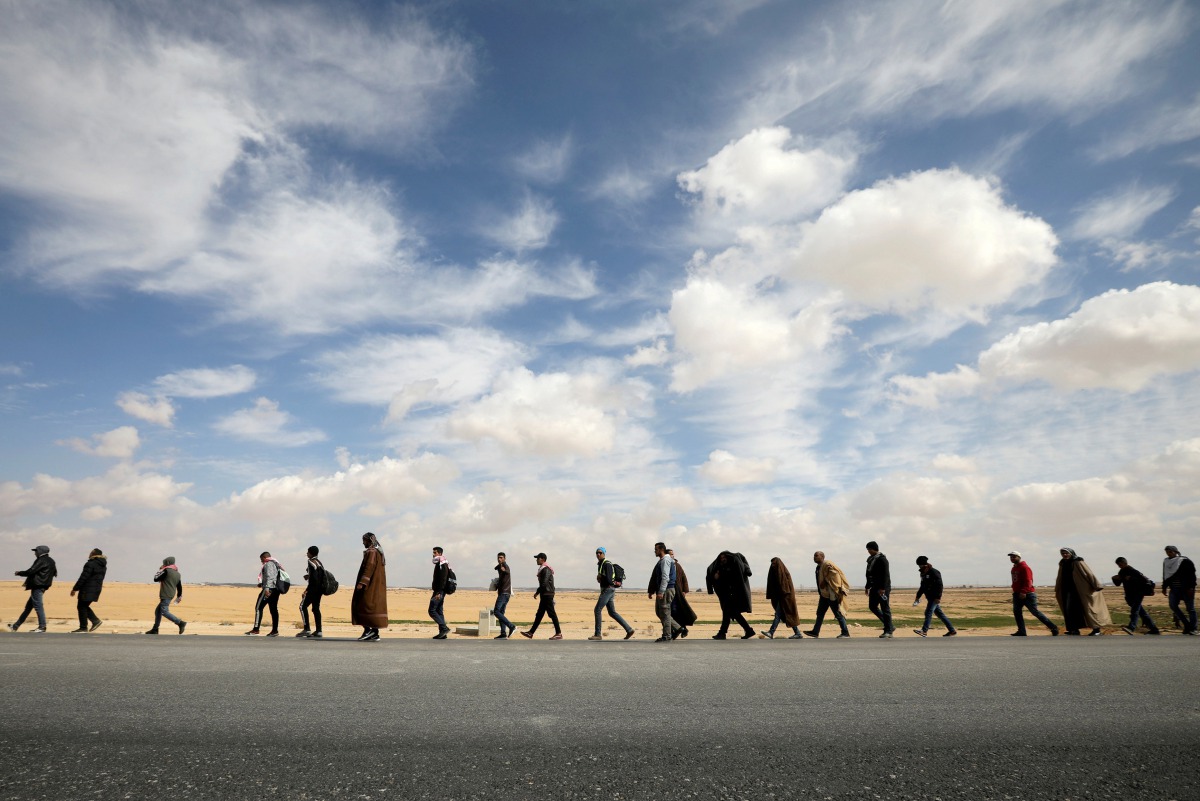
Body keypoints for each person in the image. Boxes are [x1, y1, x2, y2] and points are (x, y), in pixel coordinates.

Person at [1054, 548, 1111, 636]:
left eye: (1066, 553)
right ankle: (1074, 629)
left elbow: (1089, 573)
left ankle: (1096, 630)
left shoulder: (1078, 562)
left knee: (1088, 609)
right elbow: (1059, 577)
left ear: (1071, 553)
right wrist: (1057, 588)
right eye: (1063, 553)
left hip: (1081, 590)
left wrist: (1096, 585)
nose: (1064, 555)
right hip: (1067, 591)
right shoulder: (1062, 563)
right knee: (1070, 610)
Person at [7, 545, 57, 633]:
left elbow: (31, 571)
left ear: (40, 551)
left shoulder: (41, 560)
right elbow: (54, 573)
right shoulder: (51, 560)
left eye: (36, 551)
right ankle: (15, 626)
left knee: (38, 606)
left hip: (37, 586)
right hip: (42, 586)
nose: (35, 553)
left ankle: (42, 627)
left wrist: (19, 573)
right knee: (28, 607)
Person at [706, 551, 755, 639]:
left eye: (724, 558)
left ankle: (722, 633)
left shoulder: (733, 567)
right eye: (721, 558)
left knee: (728, 612)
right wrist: (715, 577)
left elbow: (732, 579)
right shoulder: (721, 568)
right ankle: (748, 630)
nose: (723, 559)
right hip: (727, 594)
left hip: (732, 594)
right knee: (733, 613)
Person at [1008, 551, 1059, 636]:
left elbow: (1029, 581)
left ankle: (1053, 627)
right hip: (1017, 594)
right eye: (1011, 557)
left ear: (1019, 557)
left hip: (1027, 594)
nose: (1012, 558)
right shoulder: (1014, 568)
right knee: (1017, 612)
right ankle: (1021, 631)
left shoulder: (1025, 567)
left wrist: (1024, 591)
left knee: (1035, 612)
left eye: (1014, 557)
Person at [590, 546, 634, 641]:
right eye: (597, 553)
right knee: (612, 612)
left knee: (597, 609)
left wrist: (601, 577)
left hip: (608, 589)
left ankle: (598, 634)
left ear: (604, 553)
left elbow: (610, 580)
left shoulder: (607, 564)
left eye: (600, 553)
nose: (598, 554)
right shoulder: (601, 564)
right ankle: (629, 630)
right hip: (608, 589)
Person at [804, 551, 851, 638]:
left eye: (816, 556)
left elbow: (835, 575)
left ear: (822, 556)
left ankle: (845, 632)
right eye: (814, 556)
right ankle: (815, 631)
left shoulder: (827, 564)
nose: (814, 557)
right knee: (820, 613)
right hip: (823, 595)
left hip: (830, 594)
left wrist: (825, 581)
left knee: (837, 613)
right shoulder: (819, 567)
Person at [352, 532, 388, 642]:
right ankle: (374, 632)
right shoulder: (378, 551)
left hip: (370, 586)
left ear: (369, 540)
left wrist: (362, 582)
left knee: (362, 605)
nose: (363, 543)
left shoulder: (372, 552)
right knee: (372, 607)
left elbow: (369, 566)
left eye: (364, 540)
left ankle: (368, 630)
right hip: (375, 586)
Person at [1112, 557, 1160, 635]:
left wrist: (1131, 578)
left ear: (1125, 563)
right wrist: (1114, 579)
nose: (1119, 566)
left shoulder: (1133, 571)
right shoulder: (1121, 571)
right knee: (1141, 612)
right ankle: (1154, 629)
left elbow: (1144, 580)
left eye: (1120, 564)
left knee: (1135, 611)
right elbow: (1118, 584)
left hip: (1138, 593)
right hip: (1129, 595)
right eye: (1118, 565)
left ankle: (1131, 627)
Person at [912, 556, 956, 637]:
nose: (919, 567)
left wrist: (938, 597)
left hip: (934, 597)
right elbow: (922, 586)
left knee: (928, 612)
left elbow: (940, 585)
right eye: (918, 565)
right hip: (929, 597)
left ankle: (924, 631)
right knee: (940, 615)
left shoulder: (934, 572)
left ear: (925, 565)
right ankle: (952, 630)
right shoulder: (923, 573)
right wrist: (917, 597)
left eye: (920, 565)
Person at [521, 553, 562, 639]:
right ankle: (531, 633)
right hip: (545, 594)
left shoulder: (546, 569)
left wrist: (537, 592)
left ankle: (558, 633)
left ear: (542, 559)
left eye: (538, 558)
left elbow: (544, 583)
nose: (536, 560)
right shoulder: (543, 569)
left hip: (547, 594)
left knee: (552, 614)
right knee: (539, 614)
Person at [647, 542, 682, 643]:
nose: (655, 551)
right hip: (664, 589)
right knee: (660, 612)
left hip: (666, 589)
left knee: (665, 612)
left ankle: (667, 635)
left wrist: (661, 591)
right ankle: (678, 628)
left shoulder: (666, 560)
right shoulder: (663, 560)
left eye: (656, 549)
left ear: (661, 549)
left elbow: (665, 577)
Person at [763, 557, 803, 639]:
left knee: (778, 615)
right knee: (786, 615)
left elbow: (785, 587)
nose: (772, 565)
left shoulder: (784, 573)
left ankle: (771, 632)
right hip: (781, 598)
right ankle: (797, 633)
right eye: (772, 564)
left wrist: (784, 595)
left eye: (774, 563)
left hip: (785, 598)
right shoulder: (777, 573)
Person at [69, 548, 107, 633]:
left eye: (91, 552)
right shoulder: (103, 565)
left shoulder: (90, 564)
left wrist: (75, 588)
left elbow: (84, 577)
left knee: (82, 606)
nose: (89, 554)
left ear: (94, 554)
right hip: (96, 588)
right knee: (83, 606)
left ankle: (84, 627)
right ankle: (94, 621)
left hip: (87, 588)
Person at [145, 556, 186, 635]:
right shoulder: (177, 573)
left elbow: (156, 578)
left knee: (164, 611)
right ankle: (155, 629)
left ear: (167, 563)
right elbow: (179, 586)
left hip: (165, 594)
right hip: (171, 594)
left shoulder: (166, 571)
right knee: (158, 611)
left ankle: (180, 623)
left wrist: (161, 570)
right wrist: (179, 595)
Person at [1161, 545, 1196, 635]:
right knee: (1173, 606)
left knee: (1190, 609)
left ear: (1175, 552)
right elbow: (1165, 575)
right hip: (1174, 588)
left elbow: (1192, 575)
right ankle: (1187, 625)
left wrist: (1191, 587)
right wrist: (1164, 587)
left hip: (1186, 589)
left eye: (1170, 552)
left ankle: (1193, 628)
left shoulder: (1184, 561)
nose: (1169, 554)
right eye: (1167, 552)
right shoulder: (1166, 562)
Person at [246, 551, 283, 637]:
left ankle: (256, 629)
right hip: (275, 589)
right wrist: (262, 584)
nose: (261, 561)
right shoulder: (276, 563)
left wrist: (266, 588)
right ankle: (275, 630)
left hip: (269, 589)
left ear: (264, 558)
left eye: (261, 559)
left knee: (258, 608)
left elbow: (270, 576)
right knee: (273, 609)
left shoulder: (269, 564)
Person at [865, 541, 894, 638]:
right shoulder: (870, 560)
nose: (868, 551)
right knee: (872, 606)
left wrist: (882, 588)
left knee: (885, 608)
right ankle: (889, 625)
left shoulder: (882, 559)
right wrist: (867, 586)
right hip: (874, 587)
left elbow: (885, 575)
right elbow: (868, 574)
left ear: (874, 549)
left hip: (883, 588)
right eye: (868, 549)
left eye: (869, 549)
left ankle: (888, 630)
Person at [667, 549, 697, 638]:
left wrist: (684, 590)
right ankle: (678, 630)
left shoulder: (677, 565)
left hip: (678, 593)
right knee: (672, 612)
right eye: (670, 554)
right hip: (670, 591)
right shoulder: (665, 564)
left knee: (675, 612)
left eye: (672, 554)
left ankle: (680, 629)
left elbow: (684, 578)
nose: (672, 556)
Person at [297, 546, 325, 638]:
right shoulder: (319, 562)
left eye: (308, 552)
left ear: (311, 553)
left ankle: (306, 629)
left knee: (302, 606)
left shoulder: (310, 562)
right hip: (320, 589)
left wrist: (307, 590)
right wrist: (308, 576)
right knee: (316, 609)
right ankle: (319, 631)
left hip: (313, 589)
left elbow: (314, 579)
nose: (306, 554)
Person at [492, 552, 516, 639]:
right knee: (501, 613)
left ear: (505, 558)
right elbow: (495, 568)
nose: (499, 559)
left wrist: (503, 569)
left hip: (504, 593)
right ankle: (503, 633)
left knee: (496, 611)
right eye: (498, 558)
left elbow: (507, 571)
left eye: (501, 558)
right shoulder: (500, 566)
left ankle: (511, 626)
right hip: (505, 593)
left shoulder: (505, 566)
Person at [430, 546, 451, 640]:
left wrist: (439, 592)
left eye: (435, 553)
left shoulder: (442, 564)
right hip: (440, 590)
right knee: (439, 611)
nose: (433, 554)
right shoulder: (441, 563)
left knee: (432, 610)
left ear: (439, 553)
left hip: (439, 591)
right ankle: (442, 633)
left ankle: (444, 628)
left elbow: (443, 579)